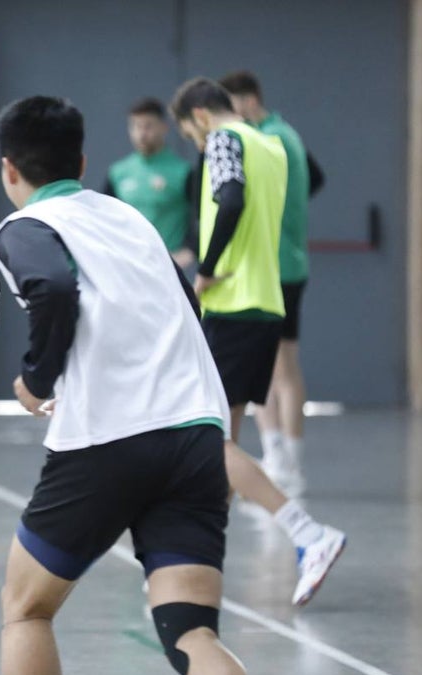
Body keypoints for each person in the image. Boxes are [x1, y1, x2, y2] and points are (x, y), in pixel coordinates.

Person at [0, 94, 261, 675]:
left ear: (8, 171)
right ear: (83, 161)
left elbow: (53, 288)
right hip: (196, 436)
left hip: (108, 441)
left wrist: (37, 380)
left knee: (26, 608)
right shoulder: (132, 219)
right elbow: (186, 309)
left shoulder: (22, 228)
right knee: (190, 630)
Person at [170, 77, 344, 606]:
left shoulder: (226, 139)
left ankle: (308, 533)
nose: (197, 146)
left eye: (190, 135)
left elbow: (230, 197)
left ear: (201, 116)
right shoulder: (271, 144)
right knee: (224, 437)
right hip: (266, 303)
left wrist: (207, 266)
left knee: (207, 440)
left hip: (233, 302)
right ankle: (200, 566)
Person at [220, 70, 326, 497]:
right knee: (285, 365)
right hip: (291, 263)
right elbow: (315, 180)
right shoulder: (289, 135)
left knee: (270, 369)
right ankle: (285, 457)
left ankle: (281, 458)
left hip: (270, 267)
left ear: (246, 102)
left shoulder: (265, 141)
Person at [103, 97, 197, 274]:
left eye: (148, 126)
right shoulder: (118, 172)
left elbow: (200, 217)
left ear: (164, 127)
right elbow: (105, 219)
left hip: (169, 268)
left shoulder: (182, 172)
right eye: (136, 126)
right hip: (130, 267)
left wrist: (190, 249)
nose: (141, 133)